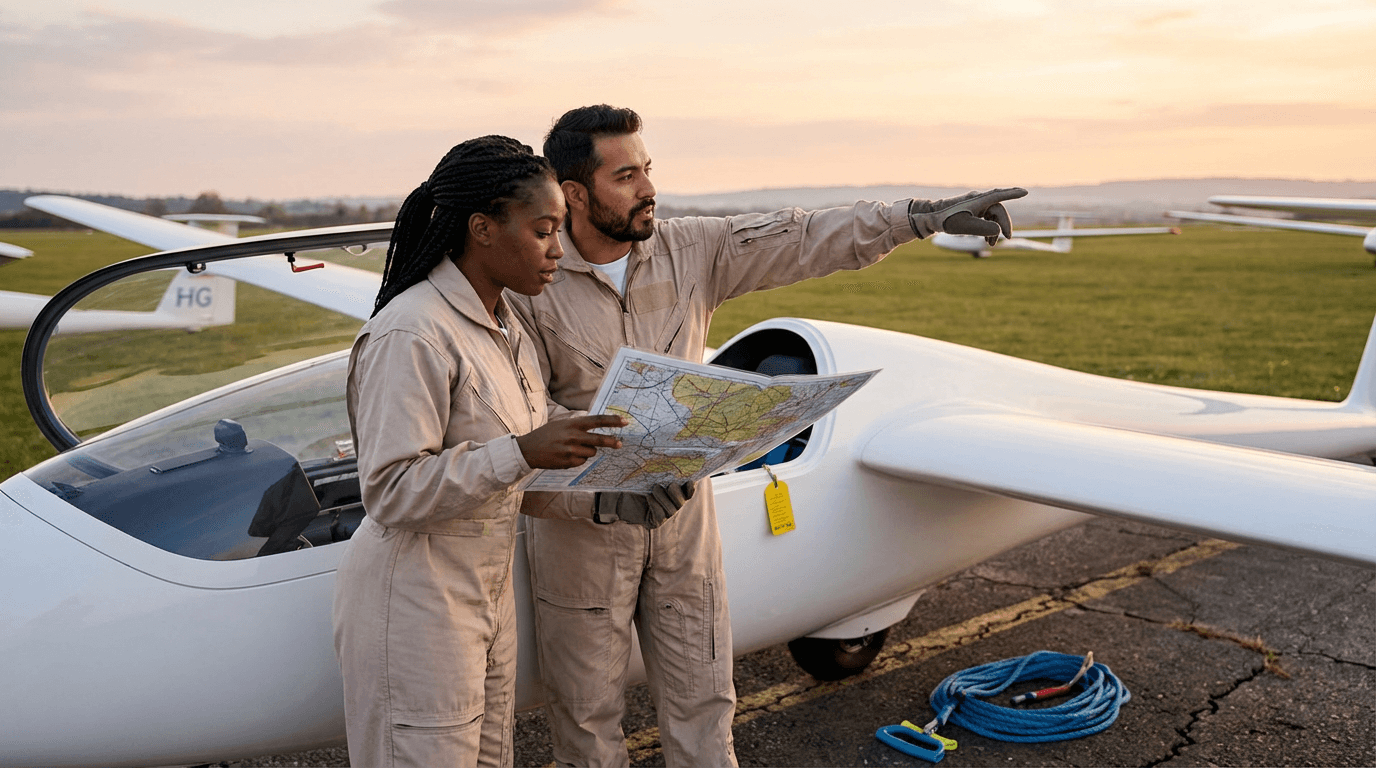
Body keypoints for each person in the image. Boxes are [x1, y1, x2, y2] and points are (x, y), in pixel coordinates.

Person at [508, 104, 1026, 767]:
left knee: (704, 704)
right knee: (584, 723)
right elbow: (519, 421)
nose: (648, 189)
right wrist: (603, 495)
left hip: (684, 519)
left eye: (647, 169)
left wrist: (919, 217)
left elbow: (803, 235)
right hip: (583, 525)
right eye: (626, 176)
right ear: (575, 194)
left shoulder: (689, 248)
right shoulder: (529, 283)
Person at [333, 134, 626, 768]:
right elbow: (390, 490)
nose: (558, 250)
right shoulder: (412, 332)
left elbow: (529, 438)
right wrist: (523, 451)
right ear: (482, 229)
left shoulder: (505, 324)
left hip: (484, 595)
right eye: (543, 231)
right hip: (417, 604)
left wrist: (620, 476)